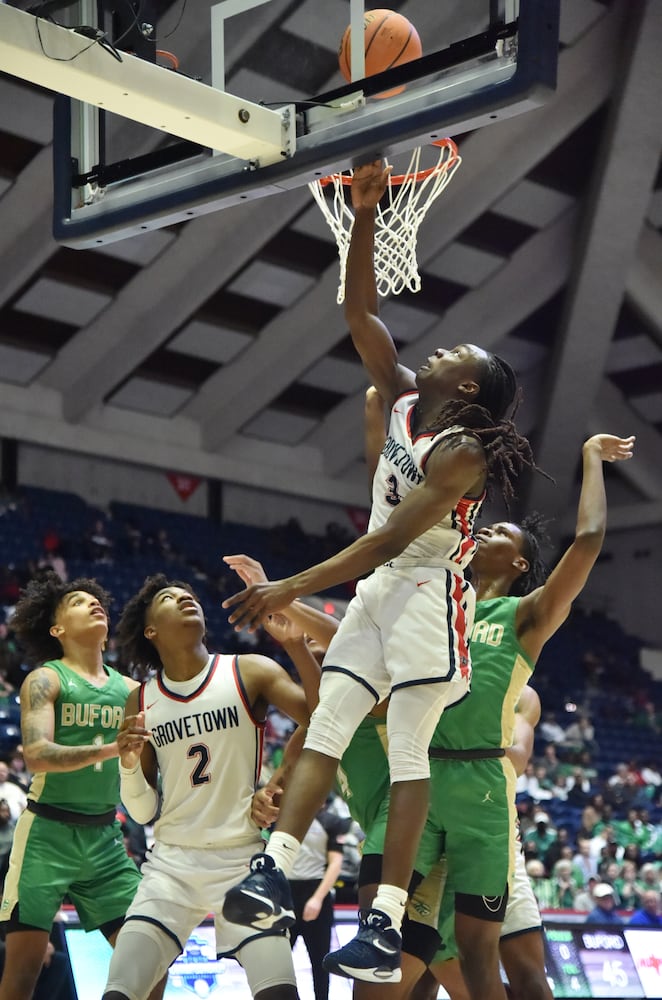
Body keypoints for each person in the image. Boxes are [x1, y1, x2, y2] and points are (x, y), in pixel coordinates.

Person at [221, 158, 536, 984]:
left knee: (406, 751)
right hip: (378, 590)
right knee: (327, 720)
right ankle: (276, 864)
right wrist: (365, 213)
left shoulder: (462, 451)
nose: (439, 344)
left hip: (431, 597)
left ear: (466, 385)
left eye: (456, 350)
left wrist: (289, 586)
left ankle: (386, 920)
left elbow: (389, 543)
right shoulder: (399, 394)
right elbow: (359, 308)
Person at [101, 574, 316, 1000]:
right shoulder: (141, 701)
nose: (185, 597)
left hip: (243, 861)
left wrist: (276, 784)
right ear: (151, 631)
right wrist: (127, 766)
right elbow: (143, 813)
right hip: (171, 868)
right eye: (169, 596)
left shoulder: (248, 670)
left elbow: (322, 719)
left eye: (190, 594)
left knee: (280, 994)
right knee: (119, 994)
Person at [0, 572, 166, 1000]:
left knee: (151, 959)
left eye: (97, 602)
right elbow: (37, 753)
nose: (94, 604)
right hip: (45, 836)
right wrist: (113, 748)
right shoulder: (46, 679)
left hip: (105, 839)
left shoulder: (131, 690)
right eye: (78, 602)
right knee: (25, 970)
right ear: (57, 629)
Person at [287, 804, 347, 1000]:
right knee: (280, 963)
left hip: (316, 892)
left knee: (320, 962)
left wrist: (317, 898)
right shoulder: (283, 817)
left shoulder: (330, 821)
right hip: (286, 893)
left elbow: (335, 863)